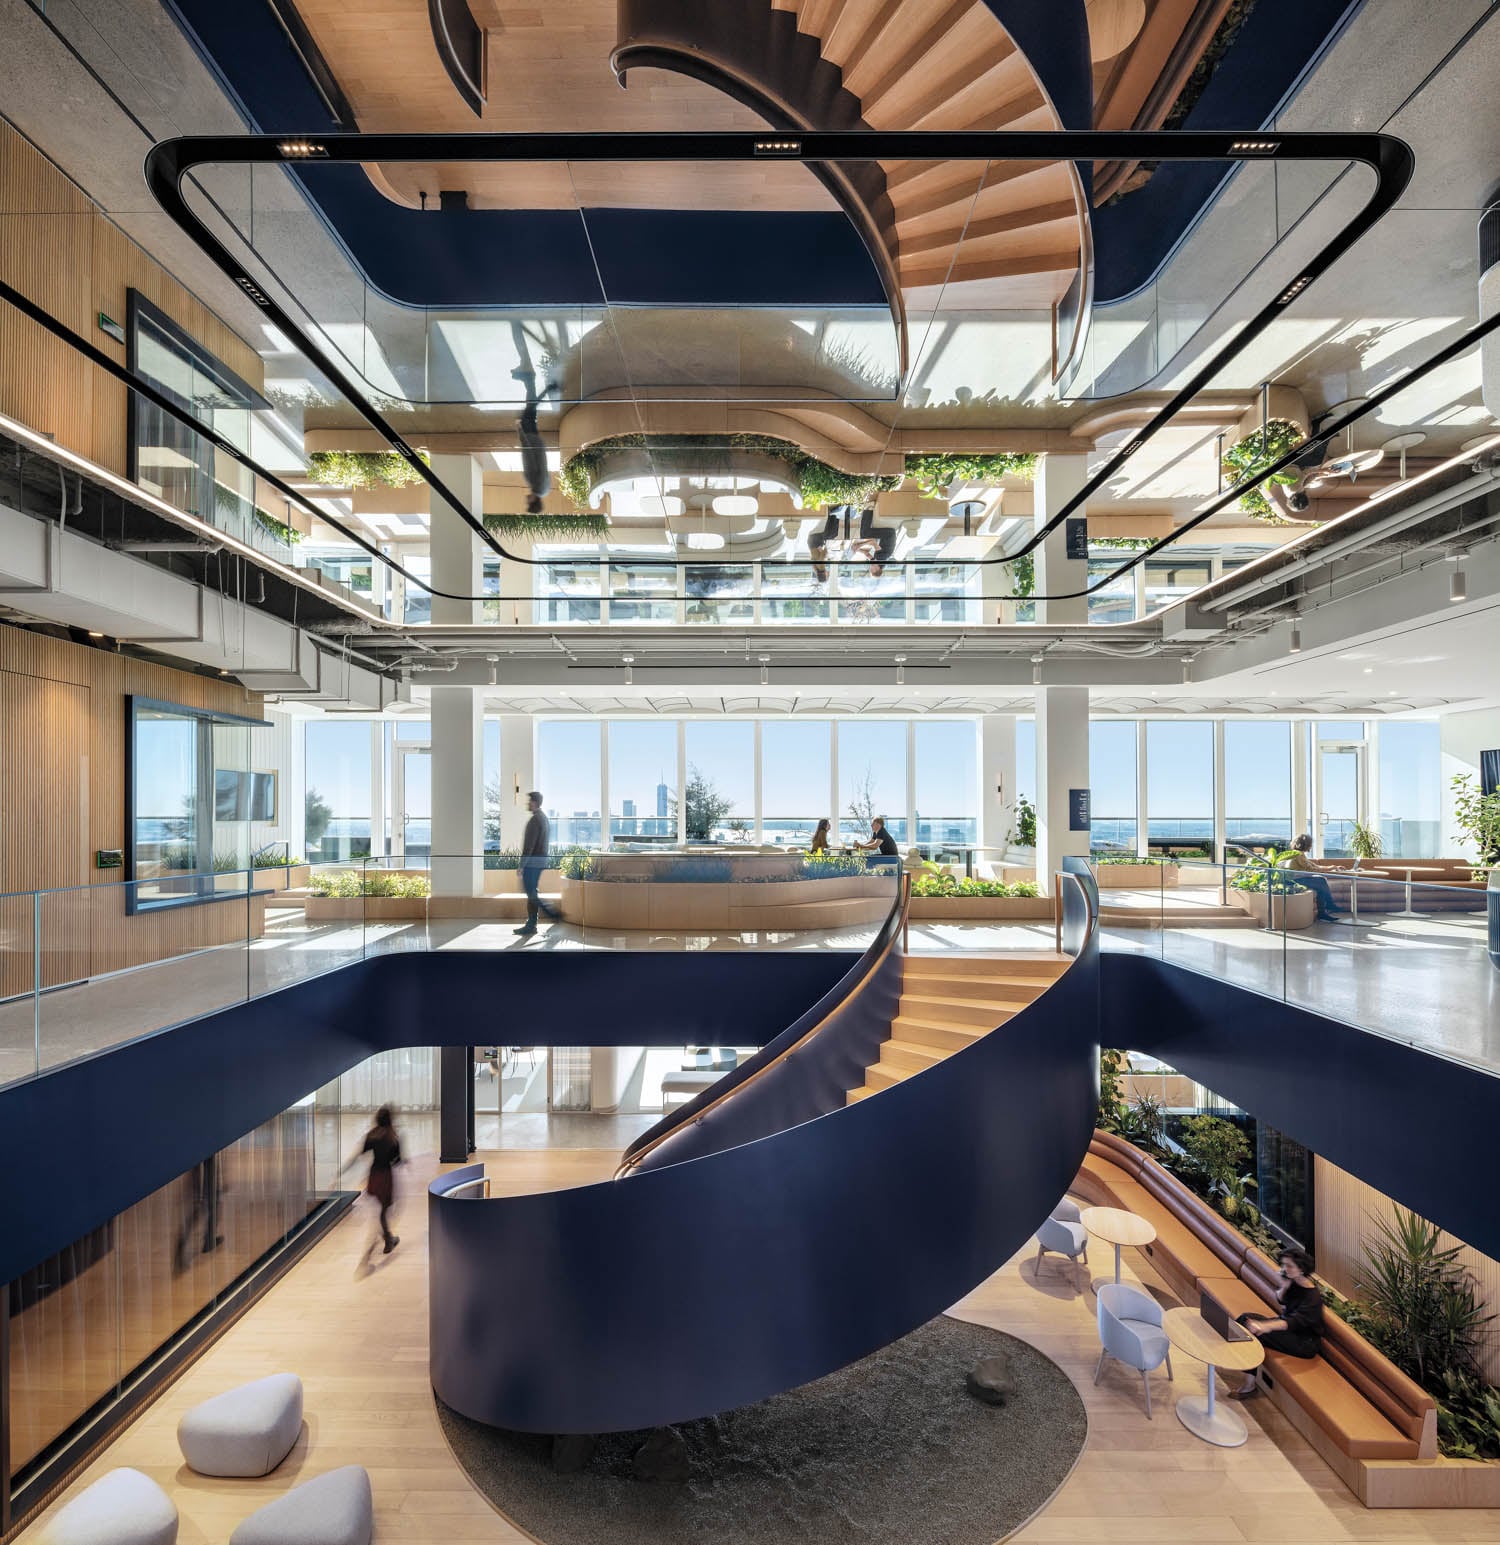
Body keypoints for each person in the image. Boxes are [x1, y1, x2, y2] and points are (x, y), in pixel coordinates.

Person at [1228, 1246, 1325, 1398]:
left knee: (1256, 1334)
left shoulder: (1313, 1298)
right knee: (1244, 1319)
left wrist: (1264, 1326)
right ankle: (1229, 1356)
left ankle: (1249, 1386)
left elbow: (1292, 1322)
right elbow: (1281, 1299)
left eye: (1289, 1266)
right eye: (1284, 1264)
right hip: (1288, 1329)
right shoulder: (1294, 1282)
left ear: (1301, 1269)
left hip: (1304, 1342)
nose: (1285, 1268)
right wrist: (1284, 1285)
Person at [347, 1106, 402, 1258]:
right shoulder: (393, 1137)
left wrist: (345, 1169)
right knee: (383, 1211)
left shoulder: (371, 1135)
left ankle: (388, 1237)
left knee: (380, 1211)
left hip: (374, 1175)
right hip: (385, 1176)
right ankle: (388, 1240)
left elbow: (360, 1154)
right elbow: (397, 1161)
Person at [516, 789, 560, 936]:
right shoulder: (544, 818)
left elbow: (529, 846)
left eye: (529, 801)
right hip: (540, 861)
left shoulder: (535, 820)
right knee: (531, 892)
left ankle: (550, 914)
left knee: (531, 893)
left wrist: (521, 865)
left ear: (534, 802)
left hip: (533, 863)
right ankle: (532, 923)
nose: (527, 804)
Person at [1280, 833, 1343, 921]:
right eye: (1310, 844)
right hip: (1293, 881)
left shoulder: (1297, 853)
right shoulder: (1298, 855)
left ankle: (1324, 911)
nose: (1311, 846)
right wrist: (1329, 869)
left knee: (1320, 883)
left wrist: (1332, 867)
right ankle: (1328, 906)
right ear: (1306, 844)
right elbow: (1311, 869)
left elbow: (1314, 866)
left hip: (1295, 879)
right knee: (1321, 881)